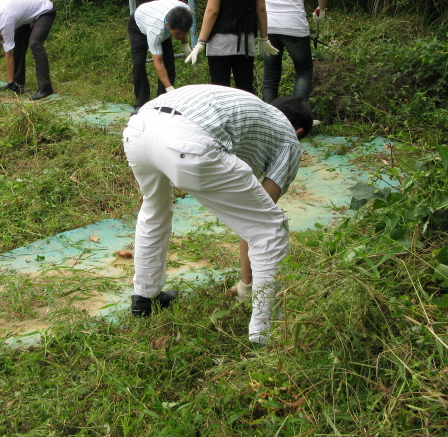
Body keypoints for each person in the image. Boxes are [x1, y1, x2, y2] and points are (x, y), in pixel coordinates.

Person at [122, 85, 312, 346]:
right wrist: (246, 285)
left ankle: (145, 299)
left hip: (139, 128)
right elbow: (258, 220)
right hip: (187, 139)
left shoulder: (252, 108)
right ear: (300, 131)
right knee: (270, 228)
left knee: (155, 207)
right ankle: (263, 334)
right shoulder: (289, 138)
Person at [129, 0, 194, 109]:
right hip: (139, 24)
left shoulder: (185, 12)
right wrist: (170, 89)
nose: (180, 36)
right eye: (177, 33)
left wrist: (186, 46)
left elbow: (181, 29)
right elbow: (158, 62)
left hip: (159, 18)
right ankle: (142, 103)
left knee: (169, 62)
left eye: (183, 33)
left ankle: (163, 101)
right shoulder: (156, 31)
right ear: (168, 26)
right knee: (139, 63)